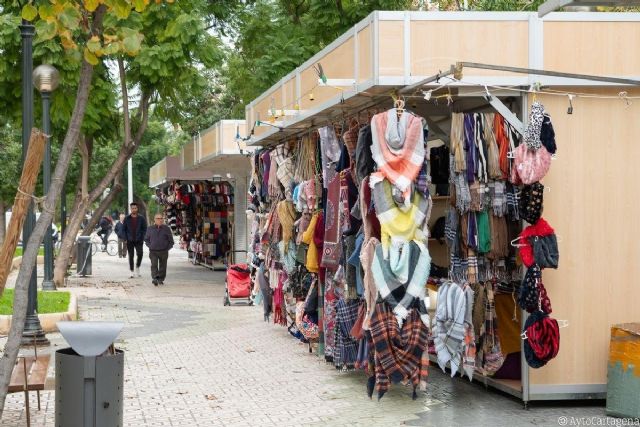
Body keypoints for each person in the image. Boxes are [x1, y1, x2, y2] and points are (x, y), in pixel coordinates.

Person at [144, 213, 173, 286]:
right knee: (154, 265)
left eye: (161, 218)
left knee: (163, 266)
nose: (160, 220)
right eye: (158, 218)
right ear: (154, 220)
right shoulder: (150, 228)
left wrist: (167, 248)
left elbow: (171, 241)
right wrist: (150, 246)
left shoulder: (166, 228)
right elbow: (146, 239)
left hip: (163, 251)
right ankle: (155, 278)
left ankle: (161, 279)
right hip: (153, 251)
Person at [122, 202, 147, 278]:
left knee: (140, 254)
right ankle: (131, 271)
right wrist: (125, 238)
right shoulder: (127, 218)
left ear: (137, 208)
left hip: (139, 239)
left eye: (135, 208)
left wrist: (142, 237)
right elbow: (124, 229)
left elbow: (144, 229)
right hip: (130, 240)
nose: (134, 209)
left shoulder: (141, 218)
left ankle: (137, 266)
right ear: (130, 209)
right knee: (131, 256)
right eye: (132, 208)